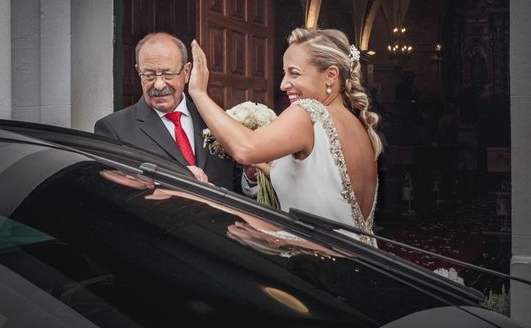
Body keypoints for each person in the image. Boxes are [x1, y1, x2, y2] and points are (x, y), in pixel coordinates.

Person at [187, 28, 383, 245]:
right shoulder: (359, 127)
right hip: (360, 261)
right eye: (285, 72)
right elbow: (325, 192)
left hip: (315, 268)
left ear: (331, 75)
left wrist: (198, 93)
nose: (283, 84)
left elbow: (244, 149)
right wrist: (268, 169)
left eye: (294, 73)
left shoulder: (308, 112)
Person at [94, 32, 246, 190]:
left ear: (186, 72)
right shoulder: (114, 129)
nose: (159, 85)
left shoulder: (213, 120)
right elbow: (111, 194)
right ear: (138, 72)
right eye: (149, 75)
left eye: (168, 74)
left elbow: (234, 182)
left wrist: (250, 179)